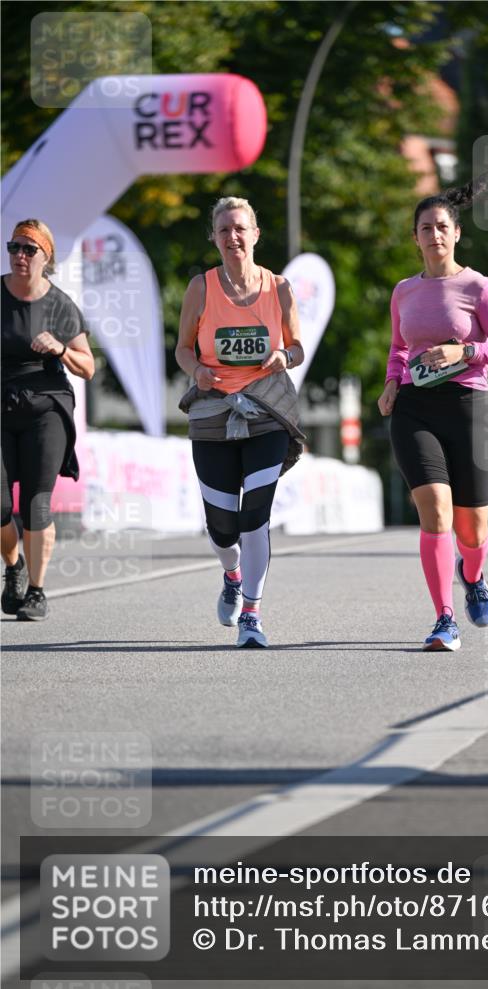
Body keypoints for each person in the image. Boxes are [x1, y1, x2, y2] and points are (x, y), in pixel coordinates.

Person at [378, 175, 488, 651]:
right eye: (425, 228)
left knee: (471, 528)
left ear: (455, 233)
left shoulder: (478, 286)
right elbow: (400, 347)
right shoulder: (404, 291)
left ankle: (472, 575)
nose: (434, 235)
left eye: (441, 226)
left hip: (468, 406)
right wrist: (392, 384)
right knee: (434, 511)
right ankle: (444, 618)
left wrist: (464, 353)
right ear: (414, 236)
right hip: (416, 409)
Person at [176, 196, 305, 649]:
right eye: (224, 229)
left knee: (255, 517)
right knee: (222, 526)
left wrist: (281, 356)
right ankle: (231, 574)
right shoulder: (201, 287)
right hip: (213, 413)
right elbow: (183, 349)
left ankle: (252, 611)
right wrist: (196, 371)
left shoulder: (279, 287)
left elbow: (298, 348)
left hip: (266, 411)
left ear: (255, 234)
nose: (233, 236)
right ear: (213, 237)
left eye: (240, 228)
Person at [1, 219, 95, 621]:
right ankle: (13, 567)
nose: (20, 255)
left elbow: (88, 367)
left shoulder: (58, 305)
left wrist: (58, 349)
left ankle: (37, 591)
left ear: (46, 257)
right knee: (1, 507)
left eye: (29, 249)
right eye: (14, 247)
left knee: (38, 502)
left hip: (46, 406)